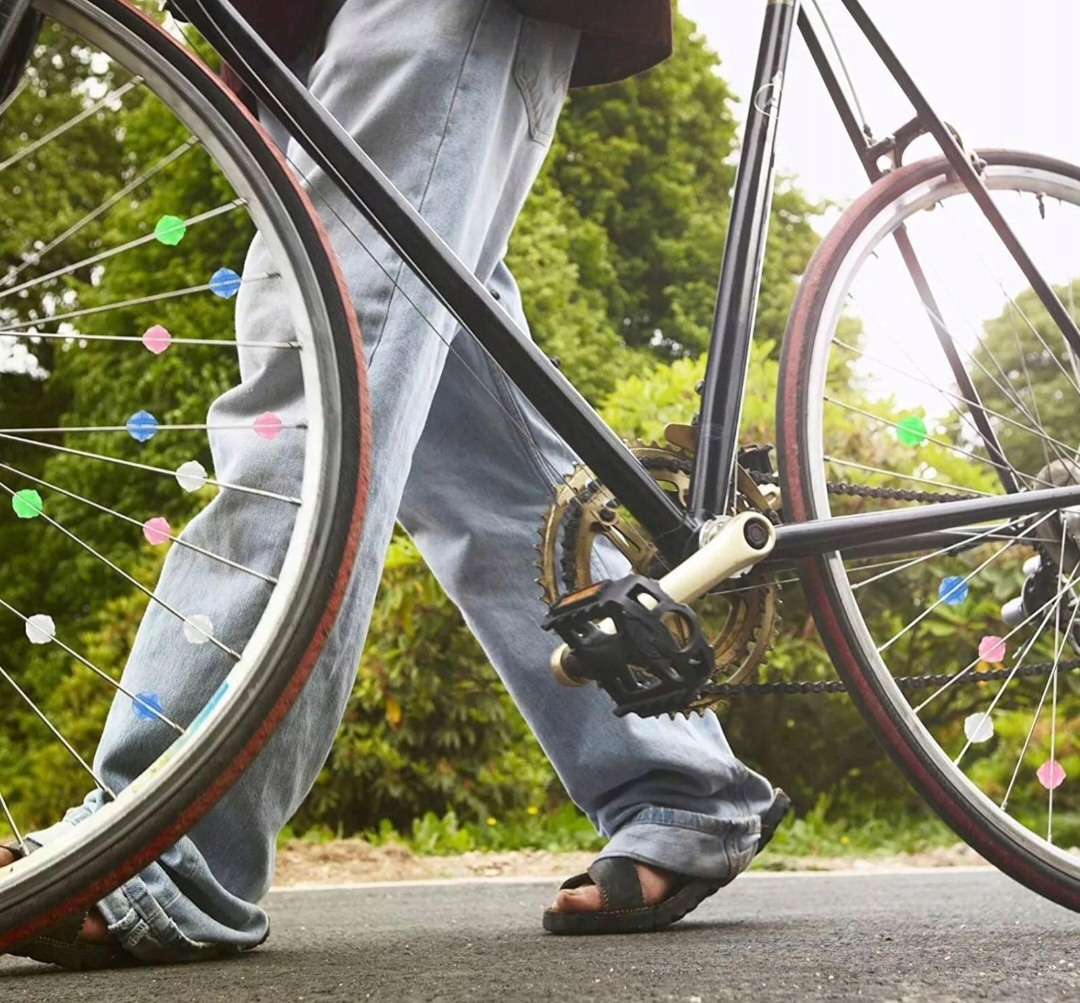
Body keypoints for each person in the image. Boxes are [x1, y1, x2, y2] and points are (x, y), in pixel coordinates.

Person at [2, 0, 787, 968]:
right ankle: (679, 782)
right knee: (467, 445)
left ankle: (161, 851)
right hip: (300, 24)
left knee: (321, 387)